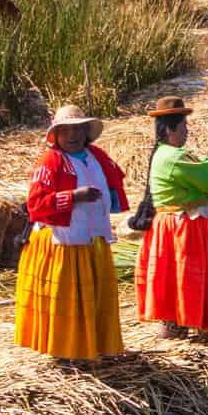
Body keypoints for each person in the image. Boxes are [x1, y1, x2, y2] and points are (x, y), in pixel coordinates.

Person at [15, 105, 128, 361]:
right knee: (68, 300)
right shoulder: (50, 161)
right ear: (55, 136)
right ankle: (65, 350)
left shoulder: (96, 156)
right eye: (65, 131)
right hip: (63, 242)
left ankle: (91, 345)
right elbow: (36, 204)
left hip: (93, 238)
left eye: (78, 129)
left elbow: (114, 185)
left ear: (87, 131)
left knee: (94, 297)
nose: (72, 136)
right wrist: (74, 197)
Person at [135, 96, 208, 336]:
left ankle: (179, 327)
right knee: (187, 279)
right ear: (170, 128)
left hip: (177, 225)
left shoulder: (167, 154)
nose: (187, 131)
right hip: (183, 229)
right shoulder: (174, 157)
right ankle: (186, 327)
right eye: (184, 126)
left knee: (176, 279)